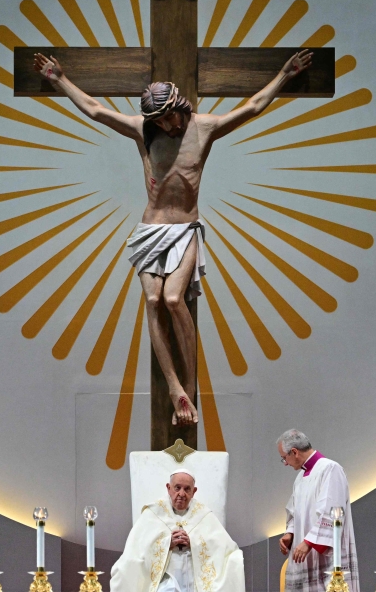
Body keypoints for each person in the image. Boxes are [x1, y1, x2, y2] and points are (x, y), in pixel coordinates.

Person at [34, 50, 313, 427]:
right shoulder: (144, 130)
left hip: (184, 229)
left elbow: (253, 107)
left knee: (172, 298)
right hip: (151, 229)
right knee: (152, 300)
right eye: (159, 121)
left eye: (169, 117)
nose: (167, 126)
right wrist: (58, 79)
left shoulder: (205, 128)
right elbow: (97, 110)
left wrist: (285, 74)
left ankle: (190, 387)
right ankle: (173, 387)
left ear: (180, 106)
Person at [110, 469, 245, 592]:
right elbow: (136, 551)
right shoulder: (153, 513)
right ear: (168, 488)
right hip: (163, 579)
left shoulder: (204, 515)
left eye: (187, 489)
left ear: (194, 491)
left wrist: (194, 544)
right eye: (177, 488)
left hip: (195, 579)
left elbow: (226, 550)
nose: (182, 494)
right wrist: (167, 543)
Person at [277, 429, 359, 592]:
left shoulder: (330, 469)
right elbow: (295, 513)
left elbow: (334, 511)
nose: (285, 463)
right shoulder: (300, 478)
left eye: (284, 458)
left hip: (325, 559)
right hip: (305, 556)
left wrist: (308, 542)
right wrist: (290, 533)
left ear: (294, 452)